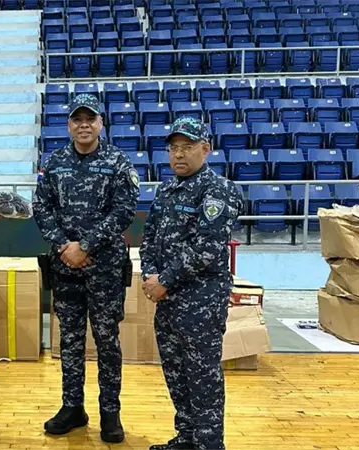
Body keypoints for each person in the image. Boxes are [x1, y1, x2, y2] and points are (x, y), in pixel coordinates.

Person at [32, 93, 138, 444]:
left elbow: (123, 211)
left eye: (90, 119)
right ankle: (72, 406)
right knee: (70, 340)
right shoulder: (56, 162)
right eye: (77, 119)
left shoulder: (118, 163)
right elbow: (41, 206)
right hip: (65, 268)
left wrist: (86, 245)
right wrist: (65, 246)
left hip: (104, 268)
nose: (84, 125)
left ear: (100, 123)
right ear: (69, 125)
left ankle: (111, 412)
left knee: (107, 340)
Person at [139, 117, 243, 450]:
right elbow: (150, 237)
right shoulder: (166, 189)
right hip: (167, 302)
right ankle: (186, 437)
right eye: (174, 148)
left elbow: (208, 247)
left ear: (205, 149)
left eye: (187, 147)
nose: (179, 155)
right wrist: (149, 275)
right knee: (176, 372)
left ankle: (209, 444)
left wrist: (164, 281)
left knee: (203, 377)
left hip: (200, 302)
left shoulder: (218, 190)